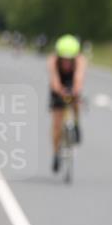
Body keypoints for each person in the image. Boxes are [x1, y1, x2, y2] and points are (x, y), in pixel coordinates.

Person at [48, 35, 88, 173]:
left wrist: (75, 92)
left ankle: (76, 124)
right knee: (57, 124)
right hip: (59, 85)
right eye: (63, 59)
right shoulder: (52, 60)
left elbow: (79, 78)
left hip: (72, 82)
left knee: (76, 101)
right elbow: (54, 81)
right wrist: (60, 91)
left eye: (69, 60)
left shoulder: (81, 60)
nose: (66, 63)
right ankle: (55, 153)